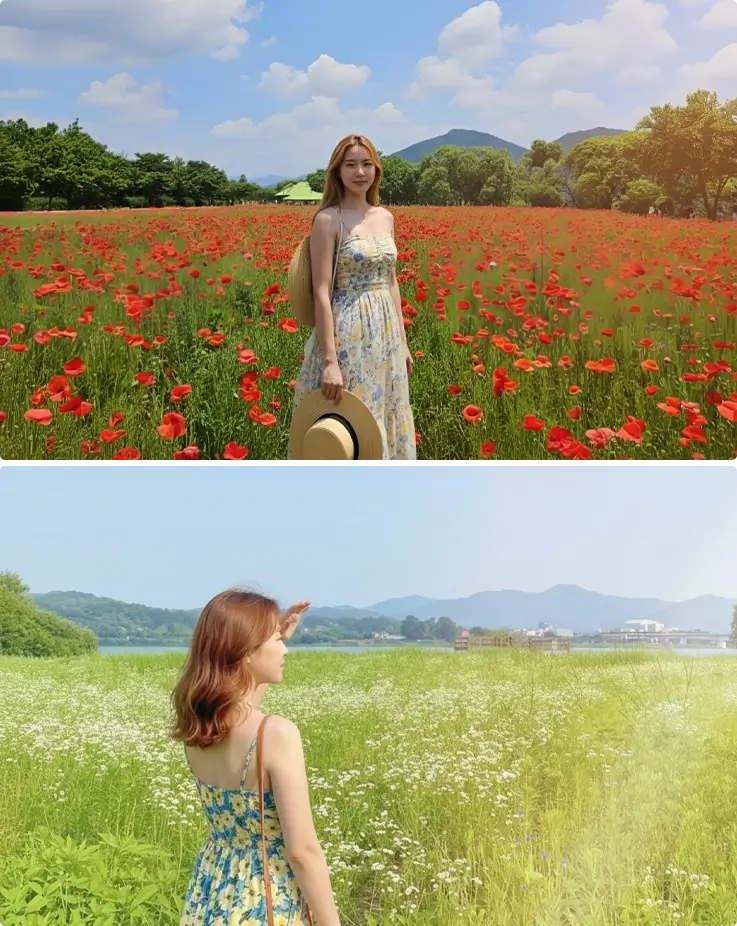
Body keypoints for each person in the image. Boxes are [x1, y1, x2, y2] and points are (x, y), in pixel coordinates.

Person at [171, 589, 341, 926]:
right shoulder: (276, 733)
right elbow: (302, 852)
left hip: (212, 891)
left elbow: (245, 699)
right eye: (277, 640)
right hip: (265, 898)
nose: (285, 649)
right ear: (246, 651)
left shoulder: (199, 724)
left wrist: (274, 635)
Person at [288, 134, 417, 464]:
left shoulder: (385, 217)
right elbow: (321, 290)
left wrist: (402, 342)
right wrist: (330, 361)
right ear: (337, 171)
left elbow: (391, 281)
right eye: (351, 165)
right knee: (352, 418)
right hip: (349, 331)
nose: (360, 172)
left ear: (376, 169)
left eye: (366, 164)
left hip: (386, 335)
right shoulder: (328, 220)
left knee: (384, 408)